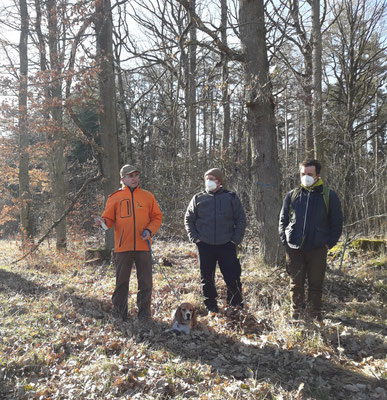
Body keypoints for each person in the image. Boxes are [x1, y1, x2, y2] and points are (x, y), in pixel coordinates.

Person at [94, 164, 162, 321]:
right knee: (121, 282)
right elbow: (108, 220)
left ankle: (144, 314)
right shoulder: (115, 197)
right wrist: (101, 222)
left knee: (145, 282)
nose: (134, 178)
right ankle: (119, 313)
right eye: (130, 176)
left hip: (143, 245)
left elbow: (157, 217)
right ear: (122, 179)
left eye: (136, 175)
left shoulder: (147, 196)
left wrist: (149, 230)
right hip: (122, 247)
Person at [279, 159, 343, 321]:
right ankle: (297, 315)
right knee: (296, 284)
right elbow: (283, 219)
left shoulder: (329, 195)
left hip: (318, 248)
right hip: (294, 248)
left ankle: (315, 315)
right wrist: (285, 241)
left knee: (316, 285)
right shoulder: (292, 195)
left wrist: (329, 243)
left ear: (317, 175)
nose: (305, 177)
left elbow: (337, 223)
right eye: (302, 174)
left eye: (309, 174)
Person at [184, 168, 246, 313]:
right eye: (206, 179)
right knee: (206, 278)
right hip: (204, 245)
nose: (208, 181)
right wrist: (195, 238)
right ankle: (211, 306)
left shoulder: (231, 197)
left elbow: (241, 219)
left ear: (219, 181)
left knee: (233, 276)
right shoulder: (198, 198)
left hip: (227, 244)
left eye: (212, 178)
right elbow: (189, 219)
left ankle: (235, 305)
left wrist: (235, 240)